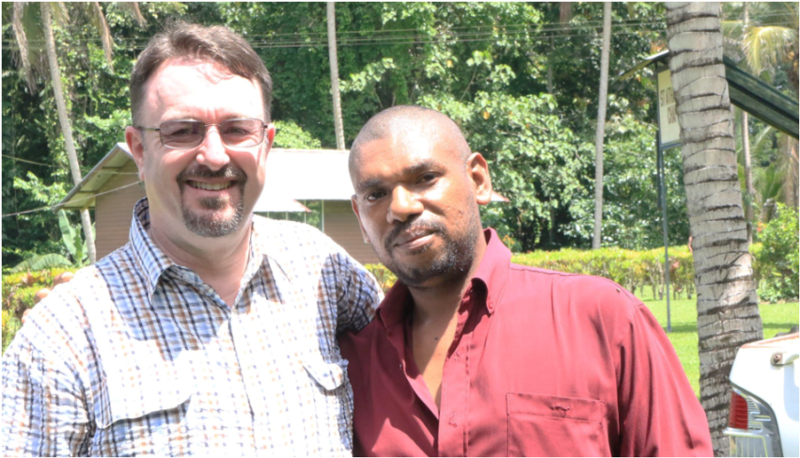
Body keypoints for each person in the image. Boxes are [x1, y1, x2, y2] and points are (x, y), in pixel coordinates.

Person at [2, 23, 382, 456]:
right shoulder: (66, 335)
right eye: (183, 131)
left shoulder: (323, 272)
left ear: (266, 145)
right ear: (139, 150)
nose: (215, 156)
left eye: (238, 129)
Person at [339, 105, 713, 457]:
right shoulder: (354, 365)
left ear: (478, 180)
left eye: (425, 178)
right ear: (360, 215)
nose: (401, 207)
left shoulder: (602, 319)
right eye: (377, 194)